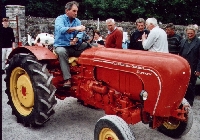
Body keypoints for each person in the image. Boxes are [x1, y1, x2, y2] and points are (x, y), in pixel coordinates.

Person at [53, 1, 89, 88]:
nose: (76, 13)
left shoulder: (77, 21)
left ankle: (88, 75)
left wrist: (77, 38)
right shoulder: (60, 19)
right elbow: (61, 29)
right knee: (61, 52)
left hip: (74, 46)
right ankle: (67, 79)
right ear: (67, 11)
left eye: (76, 11)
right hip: (61, 45)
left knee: (91, 47)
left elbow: (81, 33)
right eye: (74, 11)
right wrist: (77, 28)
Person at [179, 24, 200, 106]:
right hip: (183, 66)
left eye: (191, 33)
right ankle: (182, 100)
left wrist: (198, 70)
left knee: (191, 85)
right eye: (188, 33)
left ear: (195, 32)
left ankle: (190, 102)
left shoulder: (198, 42)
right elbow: (180, 54)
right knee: (182, 84)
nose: (190, 35)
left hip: (193, 66)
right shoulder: (183, 41)